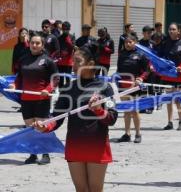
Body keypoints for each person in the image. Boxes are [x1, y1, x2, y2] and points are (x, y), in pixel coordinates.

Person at [32, 43, 118, 192]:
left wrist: (98, 110)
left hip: (96, 144)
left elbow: (111, 119)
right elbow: (57, 118)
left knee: (95, 189)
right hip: (75, 144)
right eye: (73, 61)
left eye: (78, 61)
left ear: (91, 64)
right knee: (80, 189)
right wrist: (45, 126)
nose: (73, 65)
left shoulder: (104, 87)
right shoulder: (68, 88)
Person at [12, 32, 59, 164]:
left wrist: (48, 89)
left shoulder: (48, 60)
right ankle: (33, 154)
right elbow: (19, 77)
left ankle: (45, 154)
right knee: (29, 129)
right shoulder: (24, 59)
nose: (34, 45)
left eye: (37, 43)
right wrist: (14, 84)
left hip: (41, 100)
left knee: (41, 128)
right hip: (26, 100)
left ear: (42, 45)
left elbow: (55, 78)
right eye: (32, 42)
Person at [158, 22, 181, 131]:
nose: (171, 31)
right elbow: (160, 56)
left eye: (173, 29)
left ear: (178, 31)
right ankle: (170, 122)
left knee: (178, 100)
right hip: (168, 76)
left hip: (180, 76)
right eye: (170, 29)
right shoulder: (165, 43)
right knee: (169, 99)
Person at [117, 34, 149, 143]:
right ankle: (127, 133)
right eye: (126, 42)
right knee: (126, 110)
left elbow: (147, 70)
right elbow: (119, 69)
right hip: (123, 86)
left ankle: (138, 133)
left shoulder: (140, 54)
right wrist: (116, 77)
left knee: (134, 111)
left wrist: (141, 78)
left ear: (135, 42)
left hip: (135, 87)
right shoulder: (122, 54)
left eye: (130, 42)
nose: (128, 44)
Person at [57, 21, 74, 88]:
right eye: (64, 29)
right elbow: (57, 48)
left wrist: (68, 40)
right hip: (60, 62)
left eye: (67, 29)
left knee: (68, 79)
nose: (65, 30)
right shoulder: (59, 38)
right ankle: (61, 93)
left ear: (69, 29)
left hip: (68, 62)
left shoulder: (72, 37)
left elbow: (72, 47)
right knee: (60, 79)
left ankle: (68, 92)